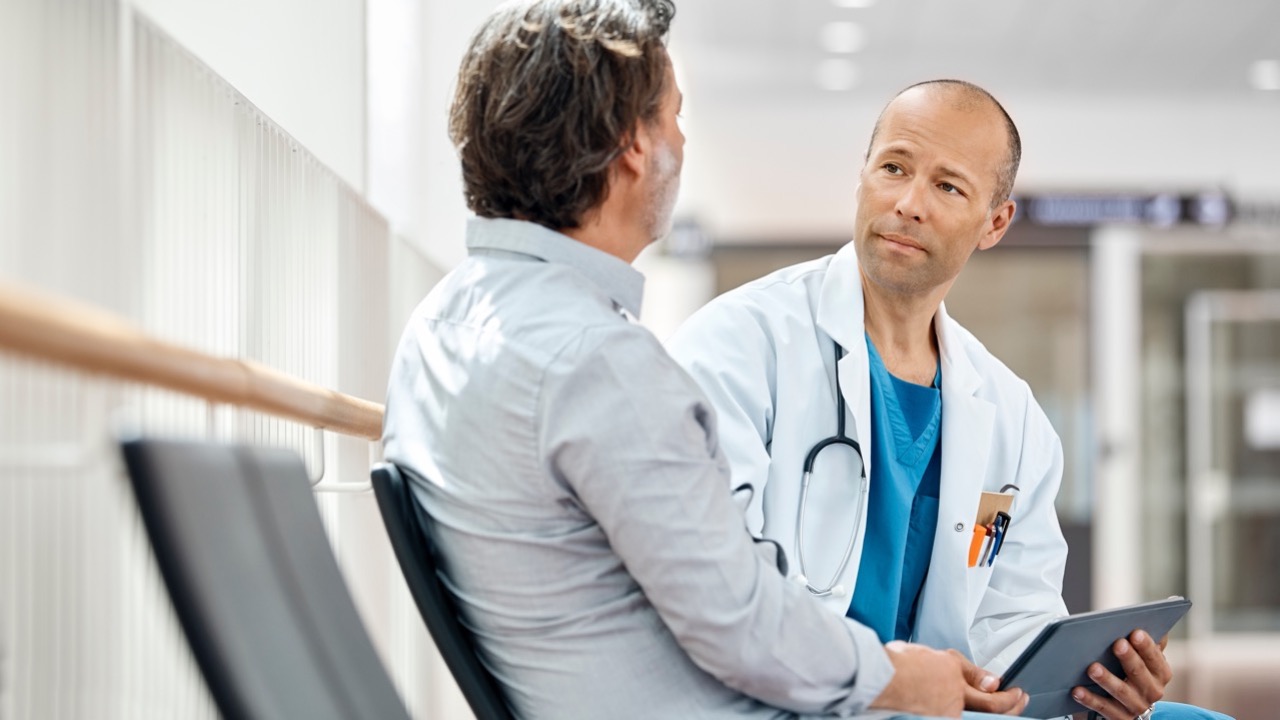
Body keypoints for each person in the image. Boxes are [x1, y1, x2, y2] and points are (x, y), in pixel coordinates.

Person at [383, 3, 1027, 719]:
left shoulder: (441, 322)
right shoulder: (598, 362)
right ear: (633, 147)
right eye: (674, 117)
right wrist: (900, 676)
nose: (681, 143)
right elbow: (744, 626)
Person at [667, 80, 1231, 720]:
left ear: (995, 222)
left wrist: (1091, 683)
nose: (908, 203)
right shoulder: (741, 343)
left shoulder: (1011, 416)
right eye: (894, 168)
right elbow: (714, 583)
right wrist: (879, 676)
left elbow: (1011, 618)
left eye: (948, 186)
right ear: (862, 178)